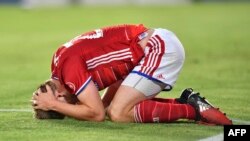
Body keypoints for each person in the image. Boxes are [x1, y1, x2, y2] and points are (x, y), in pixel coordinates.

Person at [32, 24, 232, 125]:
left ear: (59, 96)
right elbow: (118, 72)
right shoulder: (59, 62)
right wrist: (105, 103)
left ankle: (193, 110)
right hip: (155, 44)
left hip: (158, 48)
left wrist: (52, 105)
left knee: (118, 113)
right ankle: (188, 101)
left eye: (69, 107)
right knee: (115, 108)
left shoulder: (68, 71)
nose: (76, 106)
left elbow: (96, 114)